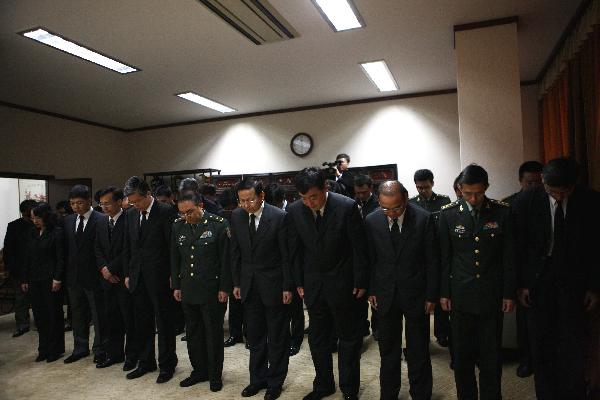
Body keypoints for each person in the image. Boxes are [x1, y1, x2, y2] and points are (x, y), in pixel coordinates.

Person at [512, 157, 599, 400]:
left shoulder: (590, 201)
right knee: (542, 344)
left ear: (573, 186)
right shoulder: (525, 201)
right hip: (538, 280)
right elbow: (518, 248)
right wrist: (521, 284)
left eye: (564, 192)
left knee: (573, 344)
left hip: (575, 280)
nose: (558, 197)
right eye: (552, 191)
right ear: (543, 182)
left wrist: (594, 287)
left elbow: (596, 249)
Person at [287, 167, 369, 400]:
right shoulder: (295, 210)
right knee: (318, 339)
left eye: (313, 196)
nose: (309, 203)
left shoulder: (346, 206)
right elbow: (295, 251)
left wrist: (361, 280)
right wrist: (299, 281)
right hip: (313, 285)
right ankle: (323, 385)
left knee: (349, 340)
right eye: (303, 198)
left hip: (344, 284)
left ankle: (349, 389)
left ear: (325, 188)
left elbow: (359, 248)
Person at [439, 164, 516, 400]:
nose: (473, 199)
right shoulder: (448, 213)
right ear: (459, 189)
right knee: (462, 357)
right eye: (468, 193)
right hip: (460, 294)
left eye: (479, 193)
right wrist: (444, 292)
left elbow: (509, 256)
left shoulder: (502, 212)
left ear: (486, 189)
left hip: (491, 294)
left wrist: (508, 293)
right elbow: (444, 257)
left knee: (491, 356)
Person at [366, 181, 438, 400]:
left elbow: (432, 261)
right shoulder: (372, 220)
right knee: (388, 349)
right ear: (379, 202)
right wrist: (371, 290)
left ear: (405, 199)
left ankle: (421, 393)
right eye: (385, 208)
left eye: (396, 208)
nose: (391, 213)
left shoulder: (423, 218)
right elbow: (369, 259)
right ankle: (389, 394)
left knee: (418, 349)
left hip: (416, 293)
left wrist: (431, 295)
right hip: (385, 293)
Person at [230, 178, 292, 400]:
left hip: (274, 284)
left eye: (251, 200)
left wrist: (287, 286)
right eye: (242, 201)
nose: (247, 205)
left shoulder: (279, 217)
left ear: (262, 196)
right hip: (248, 285)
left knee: (277, 337)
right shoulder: (236, 216)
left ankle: (275, 382)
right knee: (254, 337)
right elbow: (235, 252)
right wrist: (236, 282)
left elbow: (286, 256)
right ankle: (257, 379)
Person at [171, 191, 231, 392]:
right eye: (182, 213)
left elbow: (225, 261)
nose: (186, 216)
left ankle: (215, 375)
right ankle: (199, 371)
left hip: (212, 290)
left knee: (213, 334)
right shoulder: (178, 226)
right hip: (188, 288)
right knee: (194, 334)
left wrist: (224, 288)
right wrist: (177, 286)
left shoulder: (218, 224)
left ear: (201, 206)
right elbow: (175, 259)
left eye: (190, 212)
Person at [123, 176, 178, 383]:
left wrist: (174, 274)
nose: (135, 205)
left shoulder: (165, 212)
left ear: (148, 194)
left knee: (164, 322)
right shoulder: (130, 215)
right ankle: (146, 362)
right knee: (142, 322)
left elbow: (172, 247)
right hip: (137, 277)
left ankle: (167, 365)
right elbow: (128, 247)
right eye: (132, 202)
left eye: (138, 201)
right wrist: (129, 273)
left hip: (160, 277)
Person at [502, 160, 543, 378]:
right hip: (520, 272)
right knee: (524, 324)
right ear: (520, 181)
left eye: (539, 182)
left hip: (545, 273)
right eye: (530, 183)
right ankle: (526, 360)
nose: (535, 187)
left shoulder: (550, 201)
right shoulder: (510, 204)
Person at [94, 187, 138, 370]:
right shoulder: (102, 221)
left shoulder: (130, 219)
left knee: (129, 320)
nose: (104, 207)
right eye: (101, 204)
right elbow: (96, 247)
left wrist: (111, 269)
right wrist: (104, 269)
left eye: (107, 203)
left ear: (120, 202)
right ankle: (114, 353)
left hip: (124, 277)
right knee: (111, 319)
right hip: (106, 279)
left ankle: (132, 356)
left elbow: (129, 249)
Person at [63, 185, 107, 365]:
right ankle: (80, 348)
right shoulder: (67, 221)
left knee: (98, 316)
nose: (76, 207)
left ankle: (100, 349)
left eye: (80, 203)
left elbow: (103, 248)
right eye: (73, 203)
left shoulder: (101, 219)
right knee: (78, 315)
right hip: (74, 277)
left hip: (94, 276)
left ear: (89, 201)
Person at [409, 168, 451, 348]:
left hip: (439, 252)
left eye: (425, 187)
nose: (422, 191)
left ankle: (441, 332)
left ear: (432, 183)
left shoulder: (444, 201)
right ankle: (422, 335)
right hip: (420, 256)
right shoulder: (410, 203)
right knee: (422, 298)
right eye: (419, 188)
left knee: (440, 294)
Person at [21, 202, 65, 362]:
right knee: (39, 315)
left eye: (38, 218)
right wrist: (25, 278)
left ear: (46, 217)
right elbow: (27, 258)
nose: (35, 221)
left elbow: (60, 258)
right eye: (33, 218)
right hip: (34, 279)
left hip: (51, 279)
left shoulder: (57, 232)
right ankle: (43, 348)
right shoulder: (32, 233)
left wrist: (57, 278)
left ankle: (55, 349)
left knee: (53, 314)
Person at [4, 199, 37, 337]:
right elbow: (8, 249)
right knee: (21, 298)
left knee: (37, 296)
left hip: (37, 267)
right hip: (19, 267)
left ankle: (40, 321)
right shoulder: (14, 226)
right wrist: (10, 268)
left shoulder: (40, 224)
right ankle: (22, 324)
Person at [354, 174, 379, 339]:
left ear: (370, 189)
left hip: (375, 254)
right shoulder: (352, 204)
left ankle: (378, 327)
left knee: (376, 295)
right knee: (359, 297)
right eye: (358, 192)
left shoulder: (378, 204)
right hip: (358, 256)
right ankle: (363, 327)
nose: (361, 195)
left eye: (364, 192)